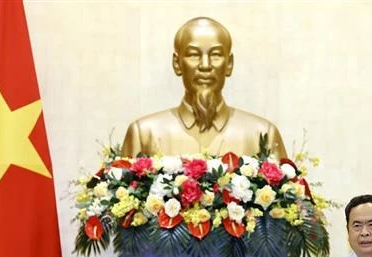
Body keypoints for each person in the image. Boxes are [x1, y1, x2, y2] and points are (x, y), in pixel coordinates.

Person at [121, 17, 287, 158]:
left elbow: (290, 194)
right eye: (193, 54)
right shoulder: (144, 134)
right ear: (177, 64)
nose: (205, 65)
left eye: (216, 55)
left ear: (229, 64)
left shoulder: (262, 135)